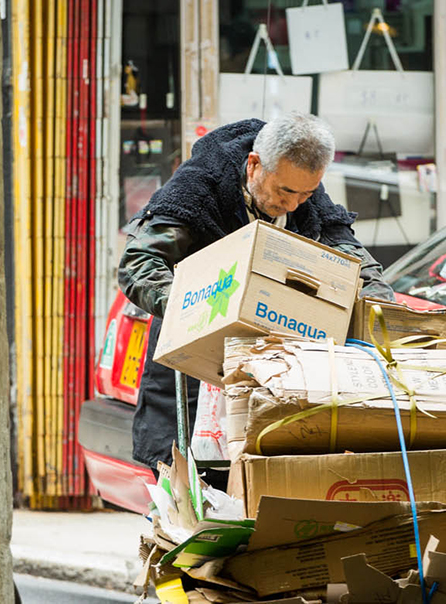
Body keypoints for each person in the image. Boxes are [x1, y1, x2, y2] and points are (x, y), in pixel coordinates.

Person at [118, 113, 395, 473]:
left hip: (272, 375)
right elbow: (138, 263)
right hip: (193, 373)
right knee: (190, 499)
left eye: (306, 193)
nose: (295, 205)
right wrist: (202, 310)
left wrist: (387, 314)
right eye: (285, 192)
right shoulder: (199, 185)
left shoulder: (304, 191)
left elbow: (356, 262)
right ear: (254, 165)